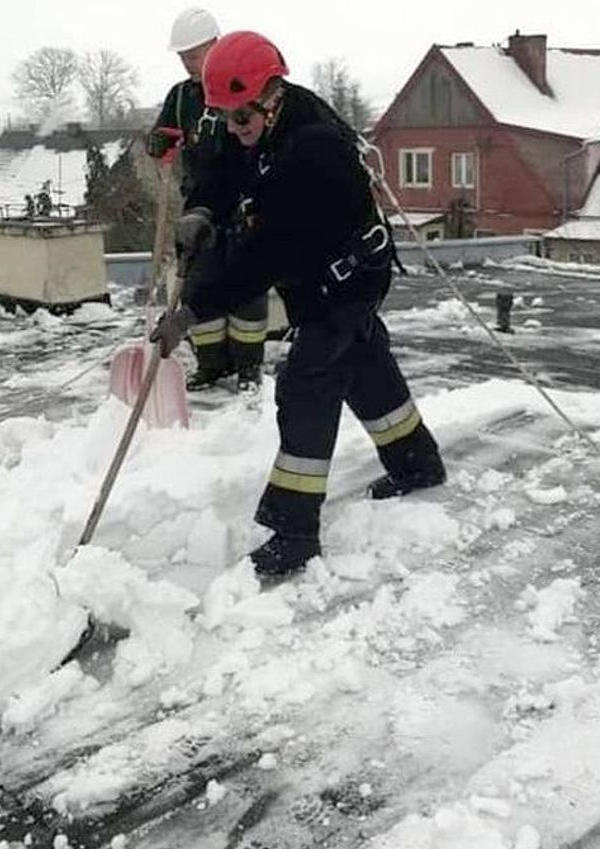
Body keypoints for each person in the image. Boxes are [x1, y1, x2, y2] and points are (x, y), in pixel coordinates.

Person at [152, 30, 447, 578]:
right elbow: (223, 169)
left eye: (243, 118)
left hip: (345, 278)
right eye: (227, 117)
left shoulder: (313, 148)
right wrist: (202, 209)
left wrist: (193, 309)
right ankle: (417, 464)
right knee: (365, 365)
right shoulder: (262, 121)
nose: (236, 129)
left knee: (307, 385)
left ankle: (293, 530)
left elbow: (264, 256)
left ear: (272, 94)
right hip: (320, 272)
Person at [145, 7, 268, 393]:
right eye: (182, 57)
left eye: (194, 55)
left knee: (247, 288)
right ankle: (212, 365)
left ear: (216, 45)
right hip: (198, 207)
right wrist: (159, 142)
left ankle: (248, 368)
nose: (187, 64)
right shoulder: (182, 97)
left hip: (245, 204)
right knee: (198, 282)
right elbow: (161, 133)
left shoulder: (241, 84)